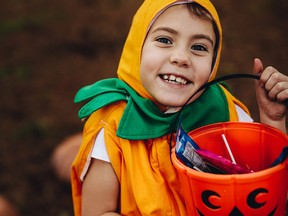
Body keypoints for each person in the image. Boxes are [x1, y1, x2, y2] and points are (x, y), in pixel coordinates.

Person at [71, 0, 288, 215]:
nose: (181, 58)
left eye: (199, 47)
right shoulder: (113, 125)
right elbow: (97, 212)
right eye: (165, 40)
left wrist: (273, 121)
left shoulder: (225, 112)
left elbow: (274, 193)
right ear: (137, 47)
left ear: (213, 62)